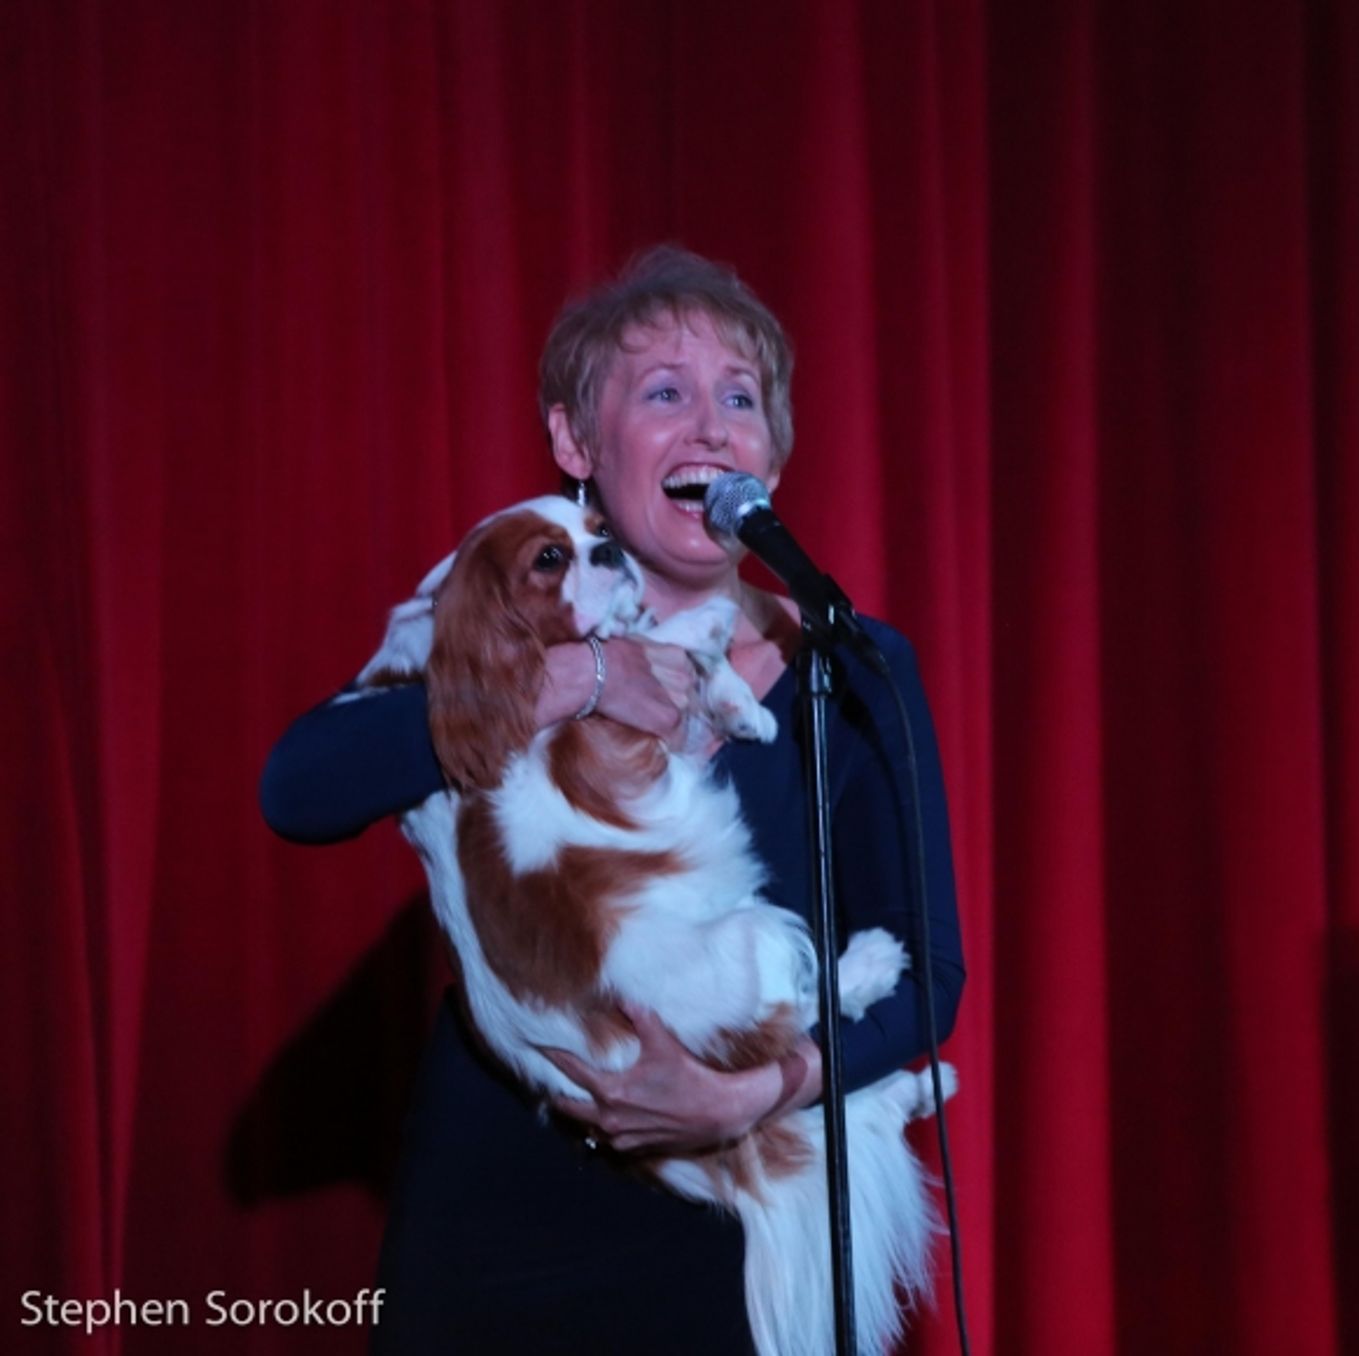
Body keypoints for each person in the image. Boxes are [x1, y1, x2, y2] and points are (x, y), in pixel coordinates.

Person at [259, 245, 965, 1354]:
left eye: (740, 398)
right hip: (499, 1207)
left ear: (771, 453)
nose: (711, 428)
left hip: (732, 1214)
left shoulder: (853, 666)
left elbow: (929, 977)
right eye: (664, 393)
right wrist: (574, 681)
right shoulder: (496, 628)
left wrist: (760, 1092)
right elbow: (297, 788)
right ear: (574, 444)